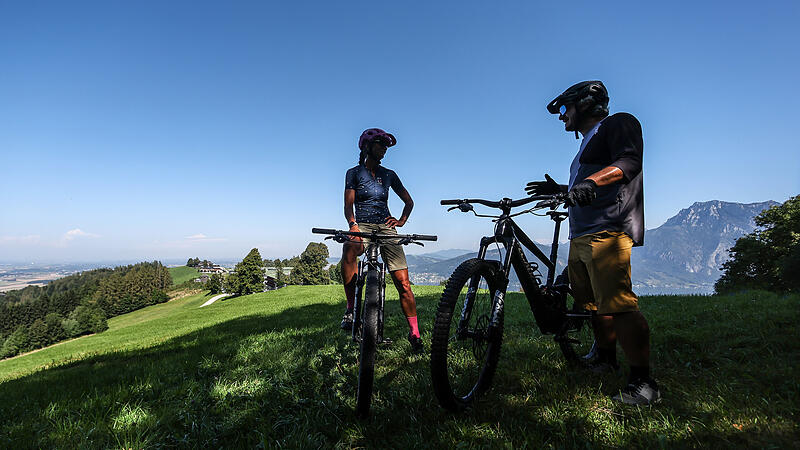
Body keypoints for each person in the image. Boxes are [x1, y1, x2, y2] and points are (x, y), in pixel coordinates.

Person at [526, 80, 660, 405]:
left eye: (564, 108)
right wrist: (562, 188)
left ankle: (644, 383)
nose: (561, 116)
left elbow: (629, 162)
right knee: (592, 305)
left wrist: (588, 181)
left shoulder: (618, 123)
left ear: (584, 104)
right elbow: (588, 184)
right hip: (582, 233)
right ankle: (606, 358)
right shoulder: (587, 143)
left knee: (619, 305)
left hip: (608, 230)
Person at [339, 128, 423, 353]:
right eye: (380, 144)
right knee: (349, 247)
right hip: (362, 225)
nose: (384, 148)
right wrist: (353, 225)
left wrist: (402, 221)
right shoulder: (353, 173)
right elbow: (348, 205)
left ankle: (414, 332)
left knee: (403, 282)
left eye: (386, 145)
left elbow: (409, 201)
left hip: (386, 227)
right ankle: (350, 308)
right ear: (367, 147)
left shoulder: (389, 175)